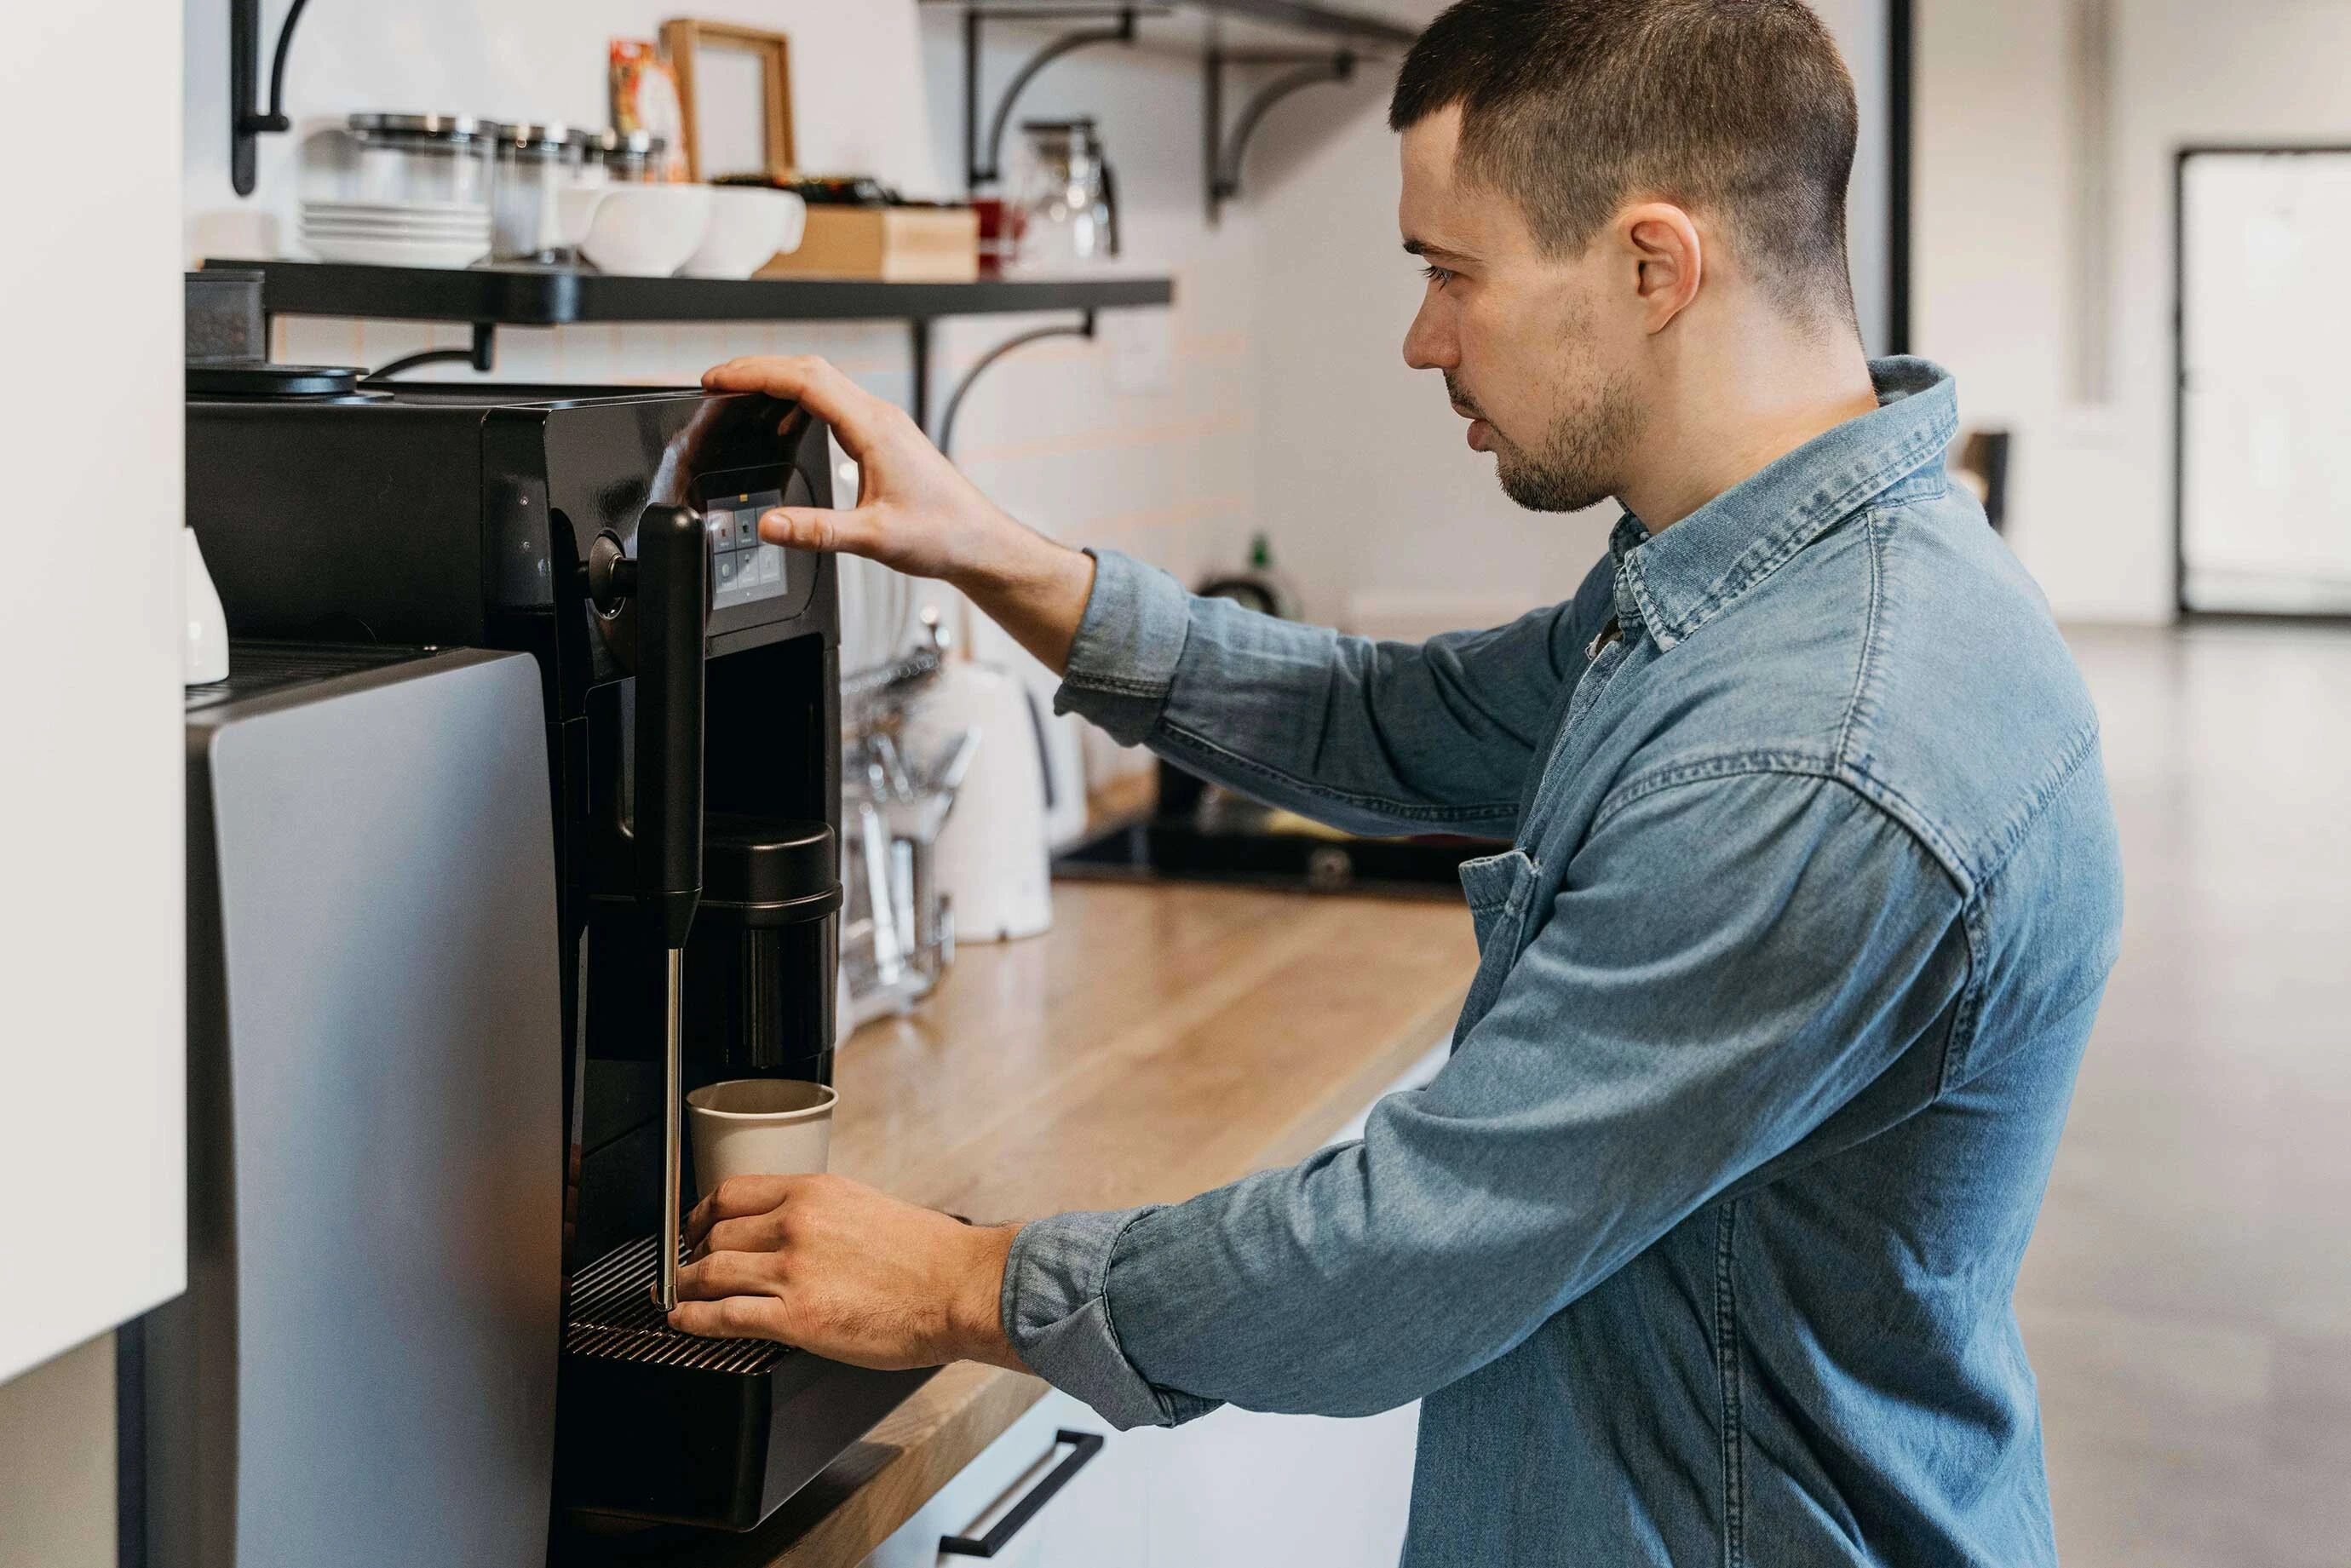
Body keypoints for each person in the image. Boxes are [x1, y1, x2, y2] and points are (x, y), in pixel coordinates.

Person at [666, 0, 2124, 1561]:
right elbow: (1397, 723)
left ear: (1654, 266)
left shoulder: (1819, 750)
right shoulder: (1767, 589)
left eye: (1452, 273)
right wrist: (999, 557)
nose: (1423, 338)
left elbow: (1400, 1262)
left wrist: (958, 1282)